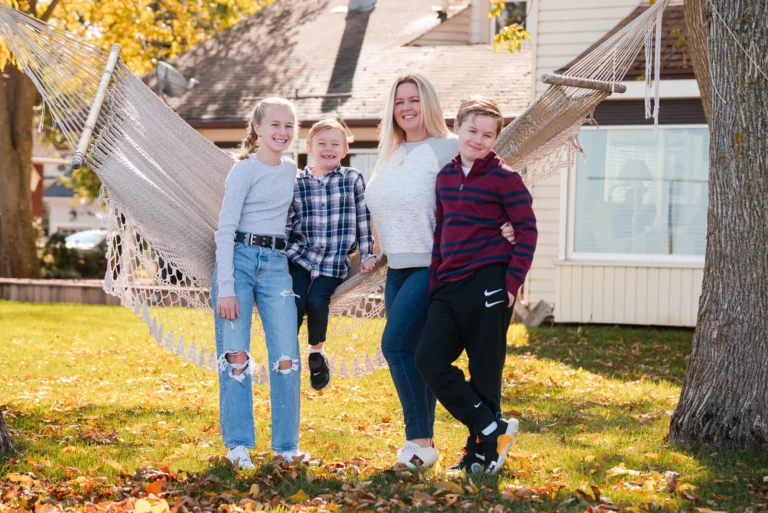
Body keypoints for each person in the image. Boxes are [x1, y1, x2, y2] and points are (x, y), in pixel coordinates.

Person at [365, 75, 516, 470]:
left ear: (428, 102)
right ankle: (425, 445)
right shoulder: (392, 151)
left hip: (432, 263)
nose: (406, 107)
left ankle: (422, 441)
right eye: (399, 101)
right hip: (395, 268)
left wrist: (507, 221)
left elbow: (493, 173)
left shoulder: (447, 145)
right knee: (413, 352)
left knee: (396, 346)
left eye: (414, 99)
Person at [415, 96, 538, 475]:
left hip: (489, 284)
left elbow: (528, 231)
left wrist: (511, 285)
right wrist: (436, 281)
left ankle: (479, 454)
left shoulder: (506, 177)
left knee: (485, 373)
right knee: (428, 360)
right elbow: (441, 234)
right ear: (457, 128)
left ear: (495, 138)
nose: (479, 139)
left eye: (488, 134)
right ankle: (491, 428)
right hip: (448, 287)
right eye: (472, 131)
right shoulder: (445, 177)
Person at [212, 97, 307, 470]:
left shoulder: (291, 171)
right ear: (258, 130)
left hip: (276, 265)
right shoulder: (243, 171)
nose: (282, 132)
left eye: (289, 126)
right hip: (238, 261)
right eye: (275, 125)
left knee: (287, 356)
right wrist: (225, 287)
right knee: (236, 355)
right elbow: (225, 229)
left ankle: (285, 447)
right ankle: (238, 445)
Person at [285, 119, 377, 391]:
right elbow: (288, 221)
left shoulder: (352, 179)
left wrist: (368, 253)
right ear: (309, 148)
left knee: (316, 301)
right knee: (296, 303)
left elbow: (363, 218)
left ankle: (316, 353)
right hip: (300, 257)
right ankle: (286, 354)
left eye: (335, 144)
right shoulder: (296, 182)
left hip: (333, 263)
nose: (328, 148)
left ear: (345, 149)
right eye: (322, 143)